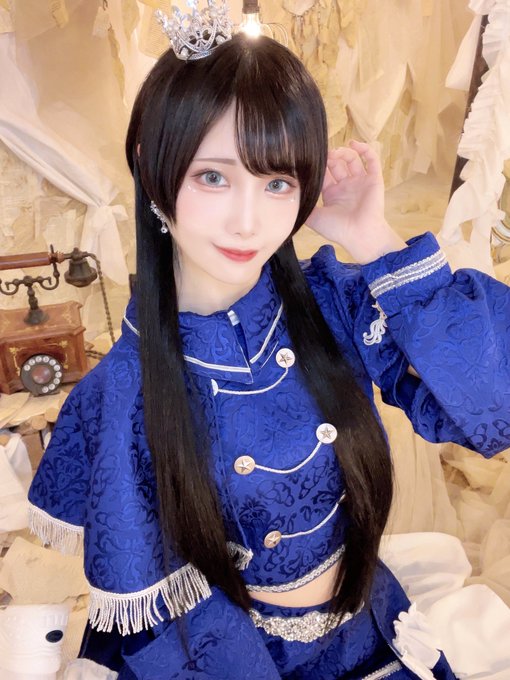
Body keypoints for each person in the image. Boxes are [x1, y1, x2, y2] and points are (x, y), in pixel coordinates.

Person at [28, 5, 510, 679]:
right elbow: (174, 621)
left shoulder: (330, 304)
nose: (249, 220)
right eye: (214, 176)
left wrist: (372, 237)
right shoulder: (124, 392)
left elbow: (490, 411)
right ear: (151, 165)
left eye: (278, 181)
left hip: (369, 630)